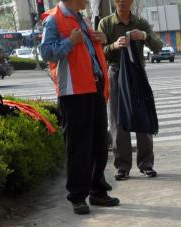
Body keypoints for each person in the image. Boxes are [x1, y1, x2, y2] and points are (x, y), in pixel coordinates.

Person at [39, 0, 119, 215]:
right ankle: (78, 196)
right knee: (78, 148)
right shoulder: (53, 19)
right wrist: (69, 42)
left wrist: (99, 41)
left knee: (99, 144)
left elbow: (86, 51)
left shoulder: (81, 18)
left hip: (94, 87)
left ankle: (97, 190)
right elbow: (45, 52)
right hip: (73, 92)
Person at [99, 0, 162, 180]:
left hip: (137, 75)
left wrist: (143, 36)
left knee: (143, 116)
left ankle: (146, 164)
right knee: (118, 120)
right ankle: (123, 166)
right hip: (116, 74)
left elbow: (157, 46)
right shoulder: (106, 23)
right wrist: (114, 46)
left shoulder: (140, 22)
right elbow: (99, 52)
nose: (122, 2)